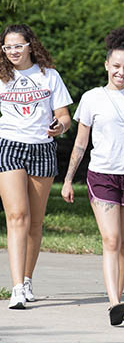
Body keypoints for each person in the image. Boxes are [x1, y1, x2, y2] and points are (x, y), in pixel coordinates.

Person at [61, 29, 124, 326]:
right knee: (111, 238)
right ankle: (115, 302)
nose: (121, 72)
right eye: (116, 66)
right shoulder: (92, 98)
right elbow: (81, 143)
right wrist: (68, 179)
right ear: (107, 65)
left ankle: (118, 300)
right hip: (102, 175)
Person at [0, 24, 72, 309]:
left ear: (30, 45)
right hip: (9, 146)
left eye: (18, 45)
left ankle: (28, 279)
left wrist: (60, 127)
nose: (13, 51)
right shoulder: (1, 76)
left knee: (35, 222)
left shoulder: (49, 76)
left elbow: (65, 116)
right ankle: (16, 287)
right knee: (17, 215)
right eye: (7, 47)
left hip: (42, 148)